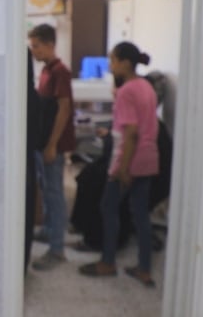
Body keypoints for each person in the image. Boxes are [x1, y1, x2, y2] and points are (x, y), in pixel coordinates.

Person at [79, 41, 159, 288]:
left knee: (108, 208)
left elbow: (131, 133)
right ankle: (144, 268)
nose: (110, 66)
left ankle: (108, 261)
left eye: (112, 61)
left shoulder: (127, 91)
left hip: (129, 159)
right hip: (148, 158)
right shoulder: (146, 86)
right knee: (140, 215)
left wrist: (122, 169)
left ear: (125, 63)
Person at [27, 24, 76, 270]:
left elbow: (64, 109)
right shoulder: (46, 71)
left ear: (49, 44)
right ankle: (48, 230)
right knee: (46, 190)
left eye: (36, 46)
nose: (32, 50)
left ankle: (57, 250)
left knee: (55, 194)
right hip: (43, 141)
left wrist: (52, 145)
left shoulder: (60, 72)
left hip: (52, 145)